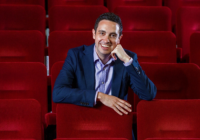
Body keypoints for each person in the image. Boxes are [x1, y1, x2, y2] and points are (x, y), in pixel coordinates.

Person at [53, 12, 156, 118]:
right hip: (83, 122)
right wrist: (100, 96)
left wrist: (127, 60)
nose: (106, 40)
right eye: (102, 33)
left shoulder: (127, 59)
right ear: (93, 34)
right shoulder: (76, 56)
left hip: (116, 123)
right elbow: (58, 93)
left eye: (112, 35)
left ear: (119, 38)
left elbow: (148, 95)